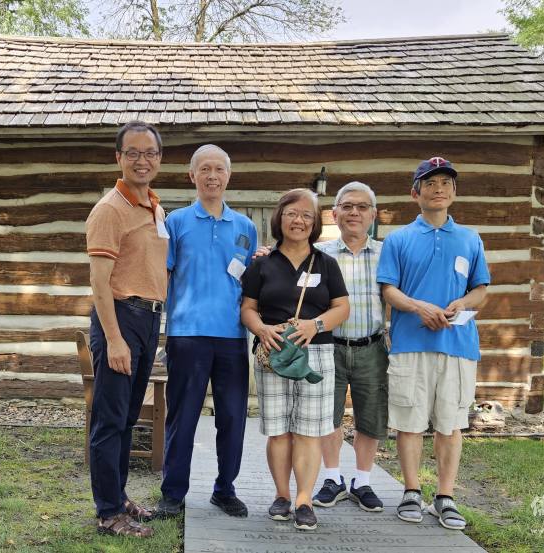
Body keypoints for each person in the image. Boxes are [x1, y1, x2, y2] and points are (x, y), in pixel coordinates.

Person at [376, 157, 490, 531]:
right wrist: (418, 307)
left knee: (450, 423)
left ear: (454, 192)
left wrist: (463, 302)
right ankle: (411, 491)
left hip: (458, 346)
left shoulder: (470, 239)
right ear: (416, 192)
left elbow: (481, 290)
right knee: (409, 422)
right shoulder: (399, 239)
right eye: (430, 183)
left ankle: (445, 496)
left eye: (446, 182)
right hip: (410, 344)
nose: (438, 188)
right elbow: (388, 289)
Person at [156, 145, 257, 519]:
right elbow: (164, 276)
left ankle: (224, 488)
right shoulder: (176, 222)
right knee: (182, 416)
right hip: (187, 334)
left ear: (228, 176)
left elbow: (251, 283)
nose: (212, 175)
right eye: (205, 169)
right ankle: (173, 493)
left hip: (232, 336)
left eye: (219, 169)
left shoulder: (246, 227)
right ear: (192, 176)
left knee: (232, 416)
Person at [240, 188, 350, 531]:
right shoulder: (261, 264)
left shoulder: (327, 263)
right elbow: (247, 308)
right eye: (292, 213)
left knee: (308, 432)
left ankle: (304, 499)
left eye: (306, 215)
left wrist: (314, 325)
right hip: (274, 354)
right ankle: (281, 495)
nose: (298, 220)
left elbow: (342, 307)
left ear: (315, 223)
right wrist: (261, 330)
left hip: (316, 354)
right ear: (280, 218)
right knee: (278, 431)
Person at [85, 121, 168, 538]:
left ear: (159, 159)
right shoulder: (109, 210)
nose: (142, 160)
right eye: (132, 152)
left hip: (148, 319)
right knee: (110, 419)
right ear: (118, 158)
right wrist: (114, 338)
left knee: (127, 417)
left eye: (149, 152)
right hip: (119, 316)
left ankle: (119, 498)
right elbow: (100, 282)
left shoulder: (156, 207)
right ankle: (107, 512)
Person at [310, 182, 389, 513]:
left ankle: (362, 480)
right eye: (347, 206)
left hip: (371, 346)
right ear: (334, 213)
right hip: (330, 346)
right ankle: (332, 478)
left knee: (370, 415)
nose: (354, 212)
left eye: (362, 207)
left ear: (373, 214)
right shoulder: (320, 254)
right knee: (328, 415)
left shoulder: (388, 253)